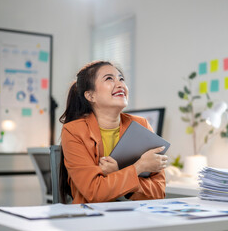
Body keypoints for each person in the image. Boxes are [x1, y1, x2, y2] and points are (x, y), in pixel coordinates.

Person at [59, 60, 168, 204]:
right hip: (91, 218)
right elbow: (94, 192)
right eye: (109, 78)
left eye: (121, 78)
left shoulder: (141, 125)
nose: (120, 84)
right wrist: (138, 167)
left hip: (134, 217)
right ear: (90, 96)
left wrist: (116, 173)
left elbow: (158, 192)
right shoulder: (74, 131)